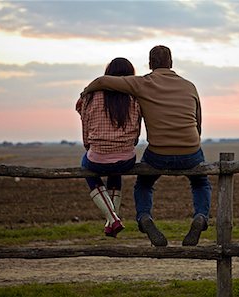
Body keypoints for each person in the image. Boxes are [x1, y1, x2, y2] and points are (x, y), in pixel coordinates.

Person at [81, 46, 212, 246]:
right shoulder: (190, 86)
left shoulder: (143, 83)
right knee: (200, 182)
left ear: (150, 64)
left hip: (158, 153)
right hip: (190, 151)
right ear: (171, 63)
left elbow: (102, 81)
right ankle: (200, 217)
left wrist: (86, 91)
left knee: (144, 184)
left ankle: (144, 218)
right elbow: (199, 123)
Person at [76, 57, 141, 238]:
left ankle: (112, 219)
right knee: (116, 170)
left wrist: (93, 146)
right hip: (126, 159)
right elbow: (136, 135)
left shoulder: (91, 97)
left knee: (85, 165)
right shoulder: (134, 98)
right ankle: (112, 221)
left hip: (97, 158)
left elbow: (85, 134)